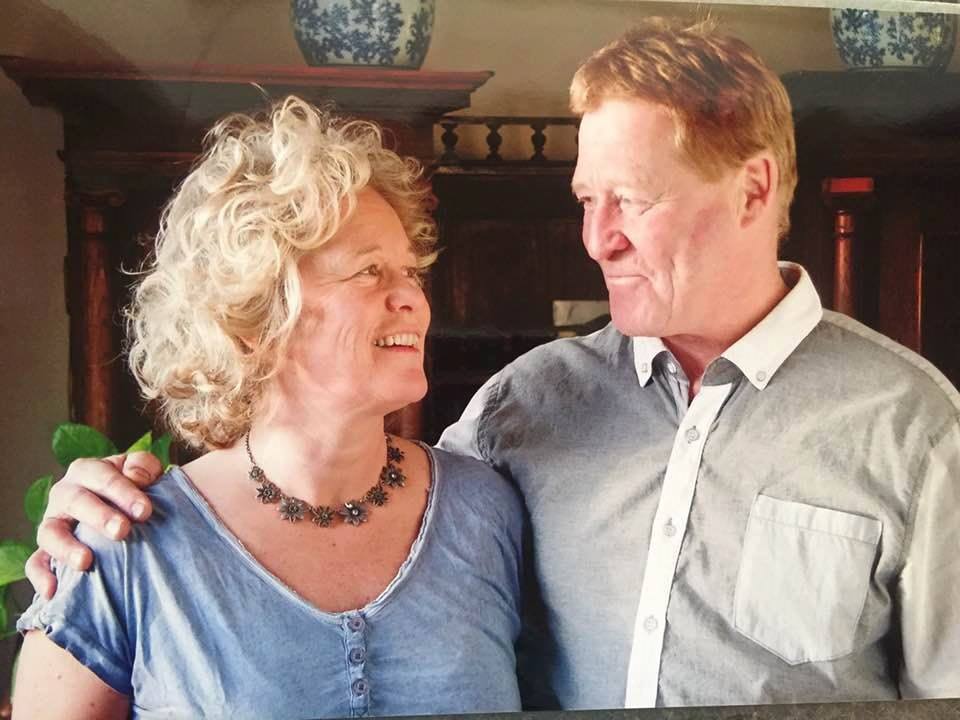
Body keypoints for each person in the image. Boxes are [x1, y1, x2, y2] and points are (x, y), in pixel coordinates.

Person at [27, 17, 960, 709]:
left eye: (629, 200)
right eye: (585, 200)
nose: (599, 241)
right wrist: (90, 505)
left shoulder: (914, 426)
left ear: (754, 186)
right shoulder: (525, 409)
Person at [13, 96, 523, 719]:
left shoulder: (487, 511)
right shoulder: (126, 540)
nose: (411, 298)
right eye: (368, 272)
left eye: (410, 272)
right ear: (253, 318)